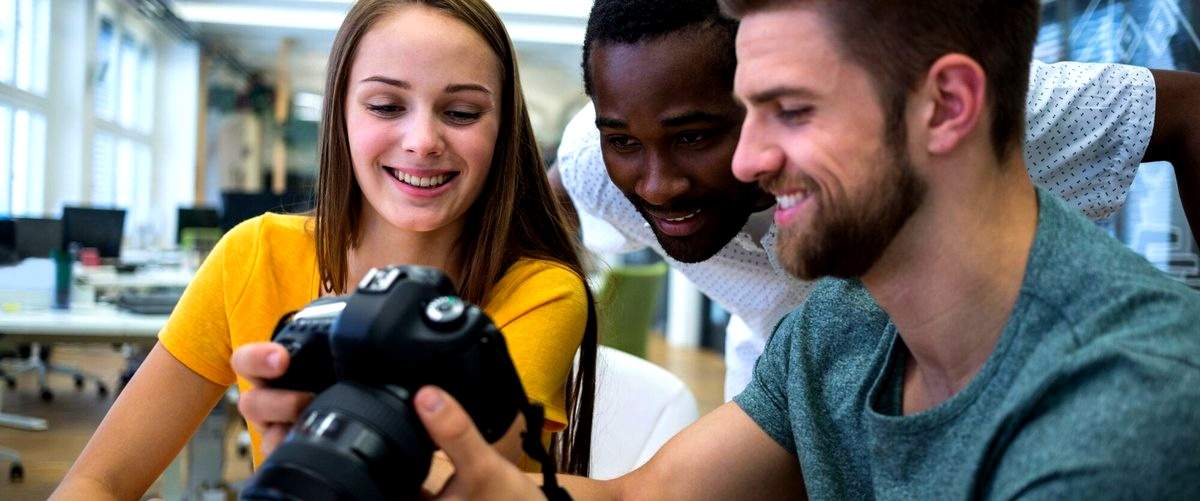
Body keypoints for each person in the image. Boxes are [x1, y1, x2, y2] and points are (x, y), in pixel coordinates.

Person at [409, 0, 1200, 498]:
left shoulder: (1119, 412)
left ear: (948, 105)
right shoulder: (839, 329)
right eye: (746, 111)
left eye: (790, 111)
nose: (747, 162)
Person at [52, 0, 596, 497]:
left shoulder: (538, 291)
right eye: (385, 105)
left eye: (461, 113)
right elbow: (99, 479)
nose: (423, 141)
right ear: (340, 113)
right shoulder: (255, 255)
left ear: (503, 130)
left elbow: (470, 488)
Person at [552, 0, 1200, 401]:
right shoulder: (598, 162)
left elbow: (1187, 109)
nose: (658, 183)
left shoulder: (950, 117)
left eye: (794, 111)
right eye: (626, 142)